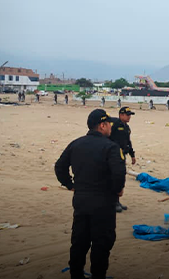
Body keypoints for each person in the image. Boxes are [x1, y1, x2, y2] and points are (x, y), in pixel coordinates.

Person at [55, 109, 126, 279]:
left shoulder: (76, 143)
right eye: (109, 124)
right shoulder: (111, 147)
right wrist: (118, 190)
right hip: (103, 201)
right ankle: (98, 275)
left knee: (80, 240)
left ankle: (76, 274)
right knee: (102, 242)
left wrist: (69, 184)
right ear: (102, 125)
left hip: (81, 200)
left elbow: (59, 167)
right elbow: (119, 173)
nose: (110, 127)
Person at [109, 107, 138, 212]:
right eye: (127, 114)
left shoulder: (127, 127)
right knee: (115, 177)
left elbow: (128, 142)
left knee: (120, 178)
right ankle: (113, 202)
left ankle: (117, 201)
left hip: (122, 155)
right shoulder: (114, 125)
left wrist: (132, 155)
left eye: (130, 115)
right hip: (114, 155)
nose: (129, 117)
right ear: (121, 115)